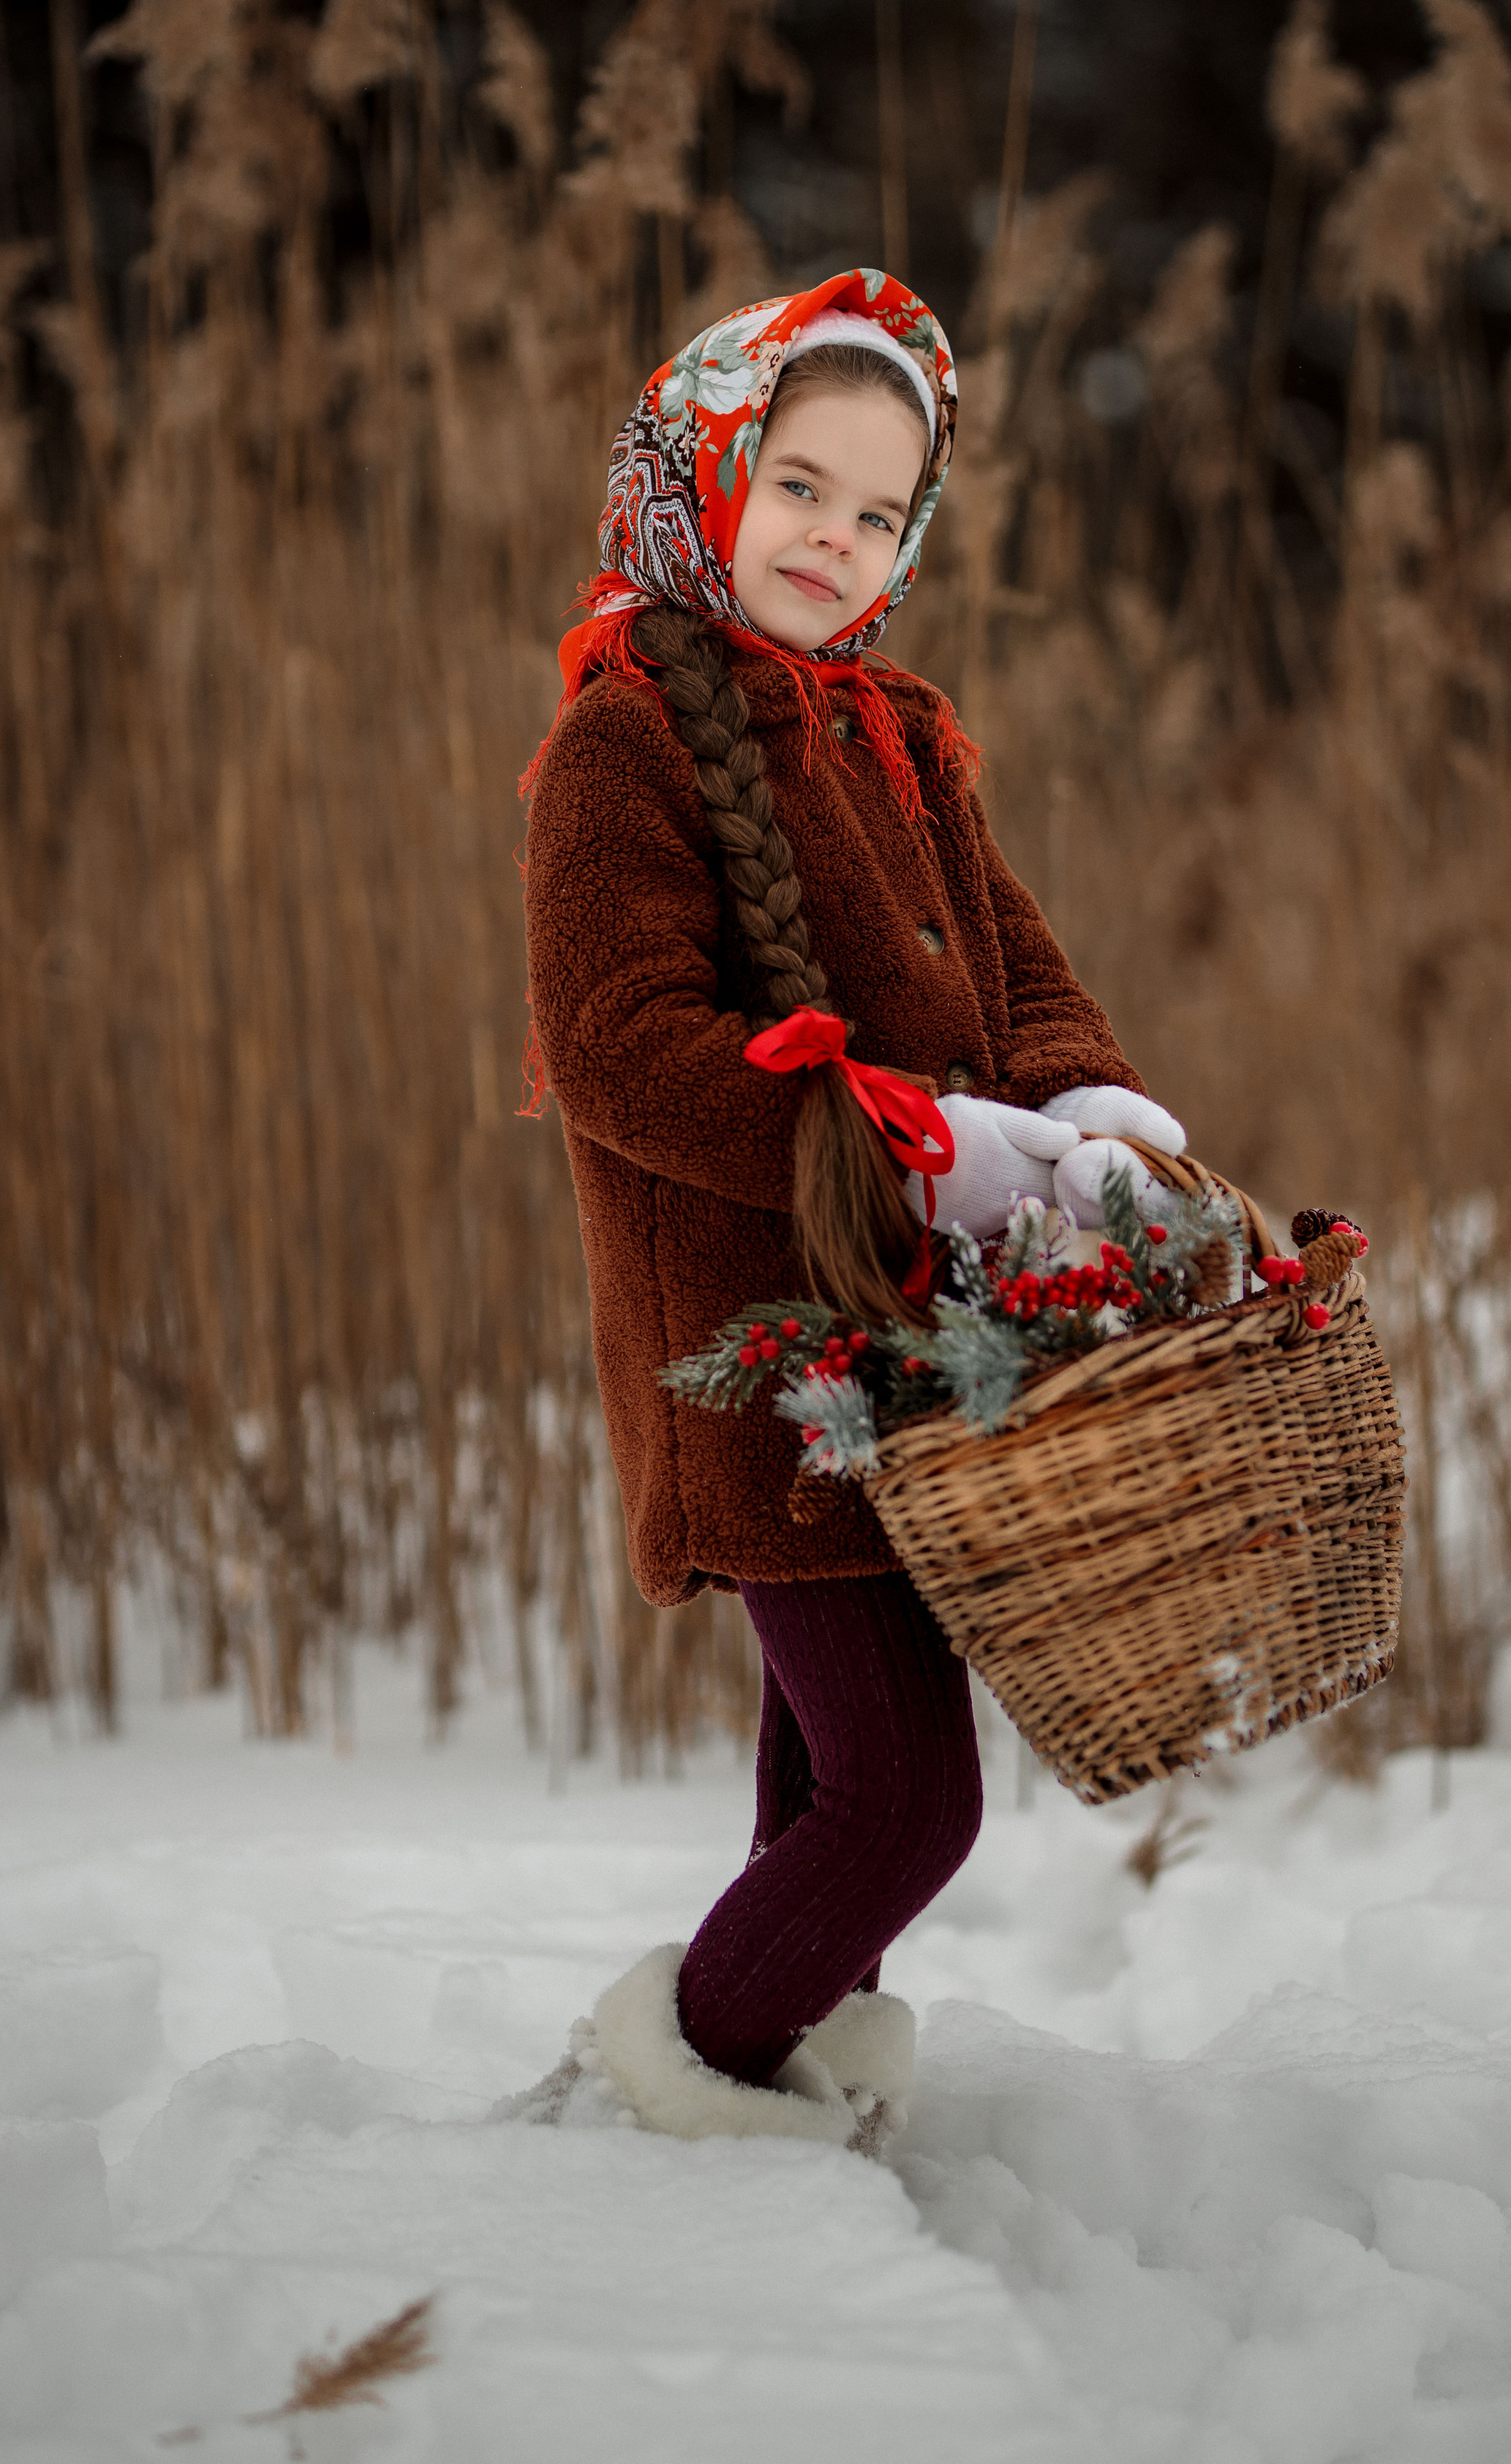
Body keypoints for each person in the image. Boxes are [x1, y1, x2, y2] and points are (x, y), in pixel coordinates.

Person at [509, 269, 1184, 2153]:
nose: (836, 537)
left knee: (826, 1764)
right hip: (756, 1353)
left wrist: (1092, 1115)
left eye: (879, 511)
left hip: (919, 1355)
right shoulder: (621, 743)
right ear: (702, 461)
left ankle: (783, 2076)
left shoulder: (892, 734)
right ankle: (678, 2096)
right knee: (903, 1803)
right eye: (798, 484)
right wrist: (906, 1151)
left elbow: (1022, 979)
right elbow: (624, 1043)